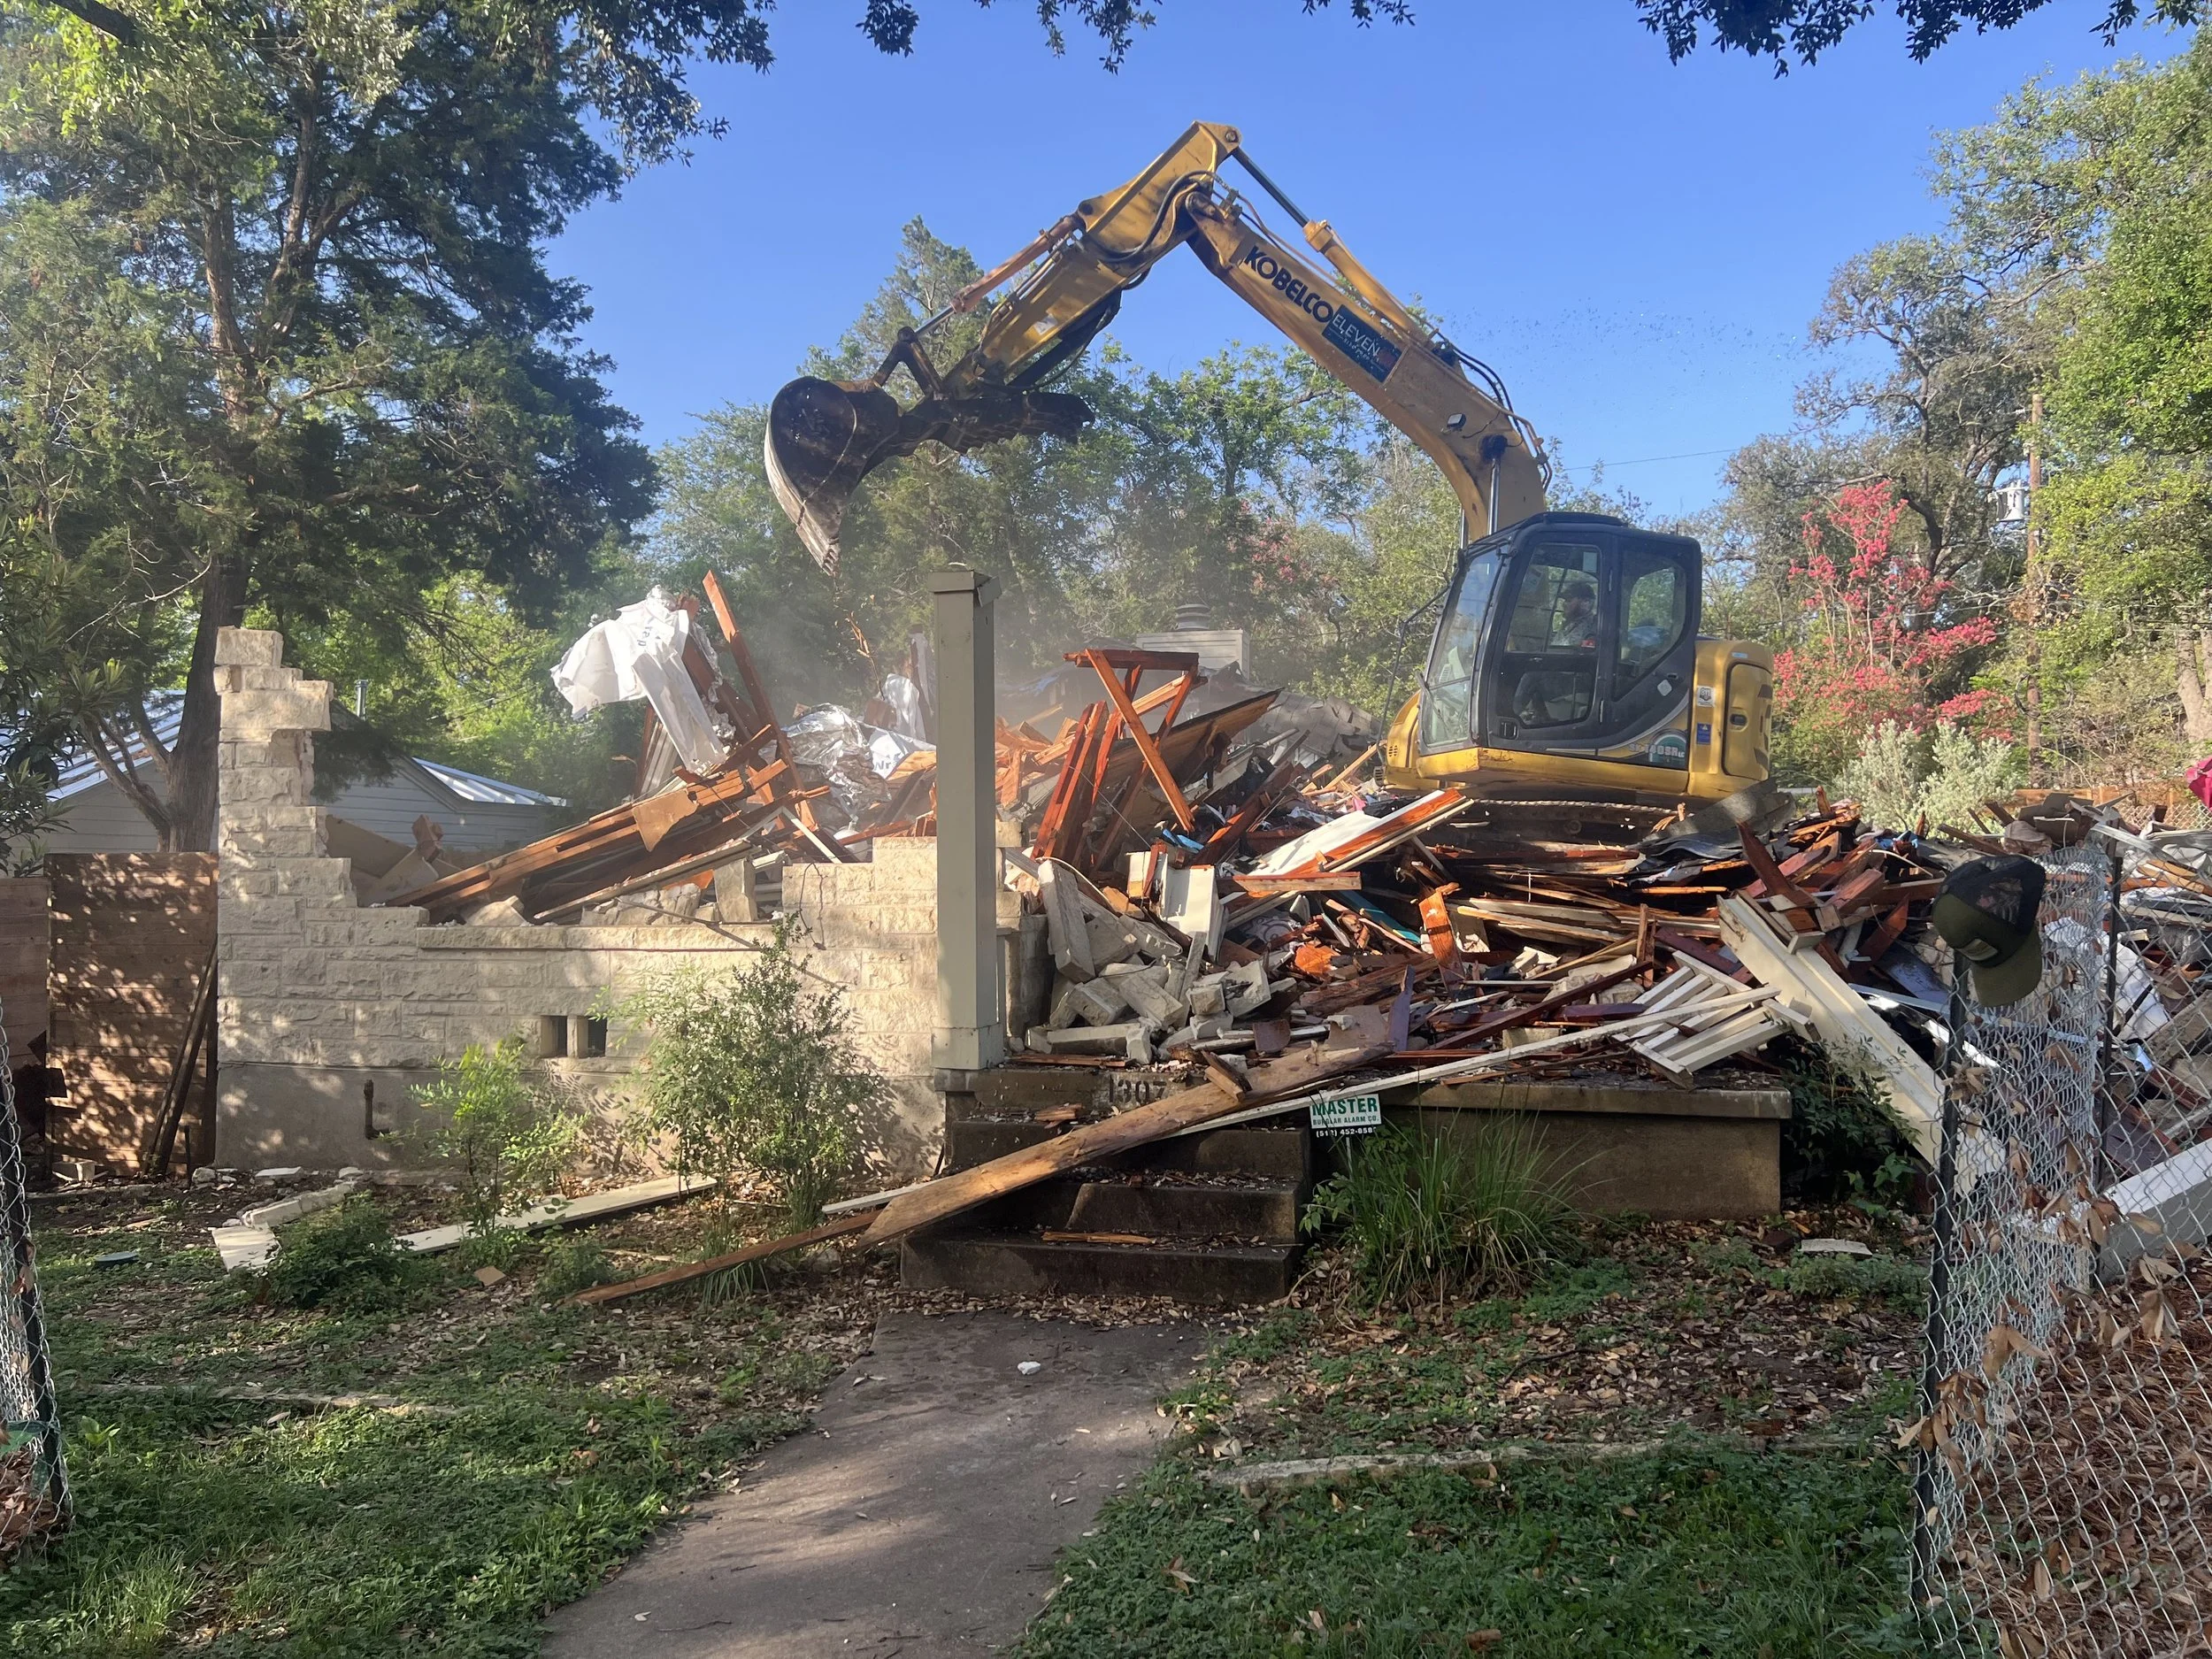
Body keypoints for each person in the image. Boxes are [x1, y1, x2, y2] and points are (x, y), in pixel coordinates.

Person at [1551, 581, 1599, 649]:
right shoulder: (1567, 626)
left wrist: (1580, 646)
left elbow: (1591, 647)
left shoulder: (1595, 626)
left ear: (1586, 602)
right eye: (1565, 600)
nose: (1564, 604)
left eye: (1569, 600)